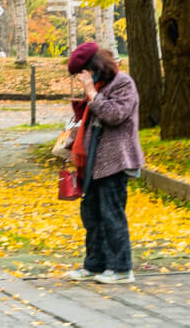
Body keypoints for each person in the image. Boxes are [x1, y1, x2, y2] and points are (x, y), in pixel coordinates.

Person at [62, 40, 142, 285]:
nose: (83, 78)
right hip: (93, 161)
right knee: (91, 214)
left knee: (111, 213)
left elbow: (115, 115)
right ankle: (95, 264)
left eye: (84, 73)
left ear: (94, 66)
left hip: (115, 160)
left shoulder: (123, 83)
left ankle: (121, 268)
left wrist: (92, 93)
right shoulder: (100, 85)